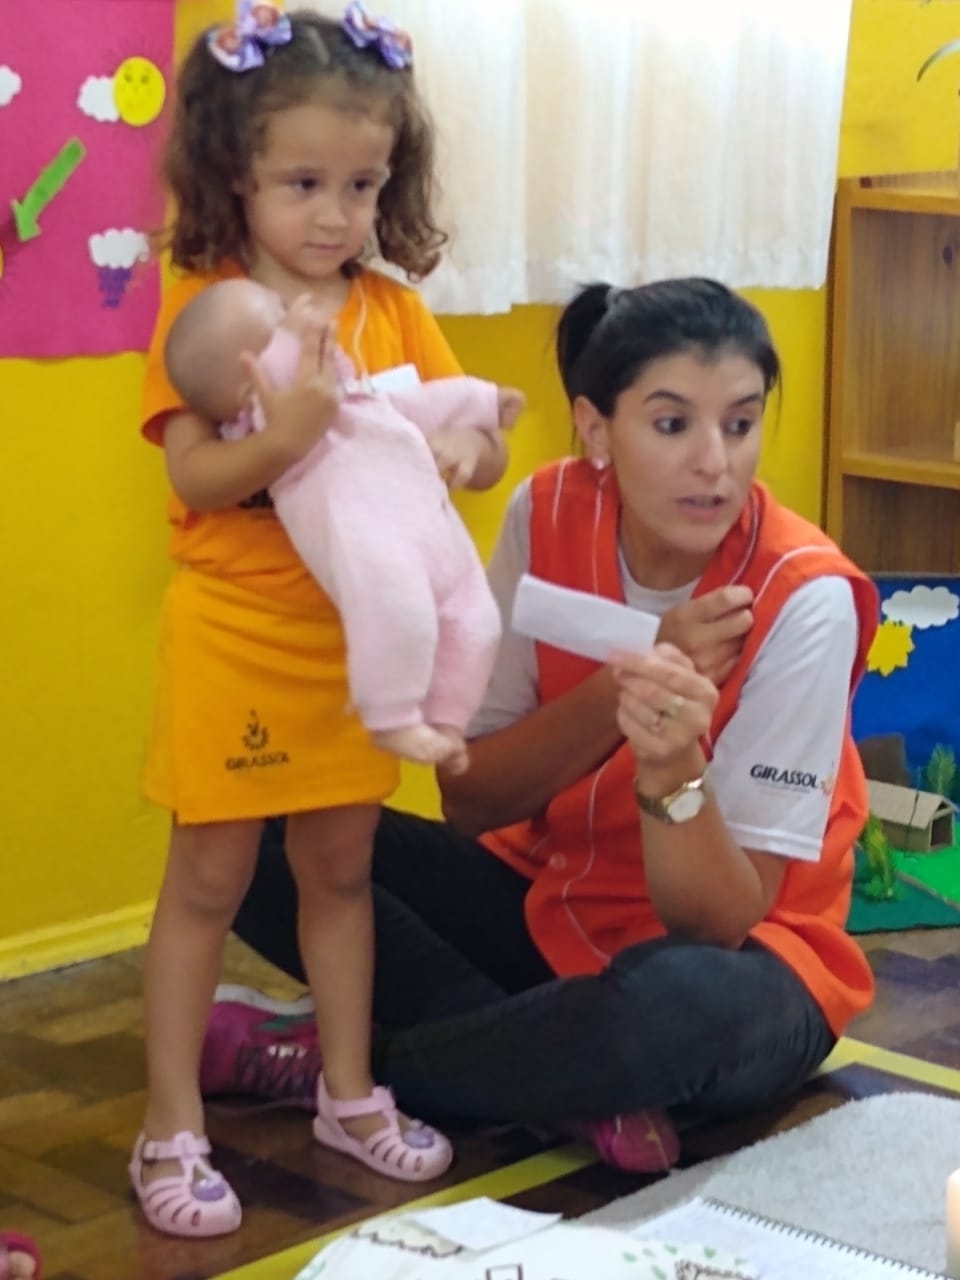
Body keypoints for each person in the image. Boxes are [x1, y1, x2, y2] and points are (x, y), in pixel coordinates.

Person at [200, 277, 880, 1175]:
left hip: (745, 964)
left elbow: (719, 922)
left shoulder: (805, 597)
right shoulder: (547, 508)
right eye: (672, 424)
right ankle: (551, 1076)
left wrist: (671, 769)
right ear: (595, 430)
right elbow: (471, 800)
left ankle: (349, 1067)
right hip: (551, 905)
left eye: (741, 423)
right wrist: (623, 684)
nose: (714, 462)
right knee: (252, 826)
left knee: (675, 1008)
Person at [133, 1, 510, 1239]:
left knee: (341, 870)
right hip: (239, 638)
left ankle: (348, 1092)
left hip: (363, 651)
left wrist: (467, 452)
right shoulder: (213, 305)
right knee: (208, 878)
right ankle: (171, 1122)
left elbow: (466, 435)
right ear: (234, 172)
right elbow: (196, 477)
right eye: (305, 182)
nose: (337, 213)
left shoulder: (387, 310)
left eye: (362, 184)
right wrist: (285, 436)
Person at [164, 279, 521, 770]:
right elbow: (200, 473)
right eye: (280, 328)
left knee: (478, 621)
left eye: (285, 310)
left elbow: (421, 403)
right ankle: (392, 716)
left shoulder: (357, 387)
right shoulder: (266, 421)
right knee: (401, 611)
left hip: (435, 540)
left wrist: (483, 405)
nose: (305, 318)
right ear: (251, 392)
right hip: (363, 562)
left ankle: (447, 723)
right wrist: (293, 371)